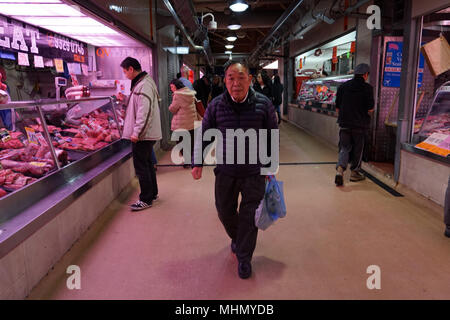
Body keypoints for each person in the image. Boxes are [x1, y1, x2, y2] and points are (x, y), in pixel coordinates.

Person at [191, 61, 278, 279]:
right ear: (225, 80)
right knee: (224, 211)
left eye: (241, 77)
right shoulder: (216, 105)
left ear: (250, 79)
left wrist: (271, 166)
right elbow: (204, 134)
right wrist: (197, 161)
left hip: (253, 172)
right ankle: (239, 239)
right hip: (226, 170)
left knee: (250, 216)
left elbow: (271, 137)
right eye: (231, 77)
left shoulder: (264, 104)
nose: (236, 83)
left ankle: (244, 257)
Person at [119, 57, 162, 211]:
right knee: (148, 164)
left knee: (141, 166)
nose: (125, 75)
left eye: (125, 71)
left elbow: (145, 112)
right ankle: (152, 193)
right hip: (146, 133)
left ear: (131, 69)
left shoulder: (143, 85)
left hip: (144, 135)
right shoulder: (144, 83)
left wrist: (137, 133)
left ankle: (146, 199)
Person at [334, 63, 374, 186]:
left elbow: (337, 108)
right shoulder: (368, 88)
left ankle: (340, 171)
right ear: (365, 74)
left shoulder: (343, 87)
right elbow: (370, 109)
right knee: (358, 149)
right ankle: (355, 173)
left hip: (344, 123)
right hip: (360, 125)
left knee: (344, 148)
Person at [169, 79, 199, 168]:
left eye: (172, 87)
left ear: (176, 86)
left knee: (181, 143)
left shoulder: (178, 95)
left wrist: (170, 106)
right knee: (191, 143)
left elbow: (172, 109)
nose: (171, 89)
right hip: (191, 122)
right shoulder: (190, 93)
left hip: (181, 124)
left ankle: (187, 162)